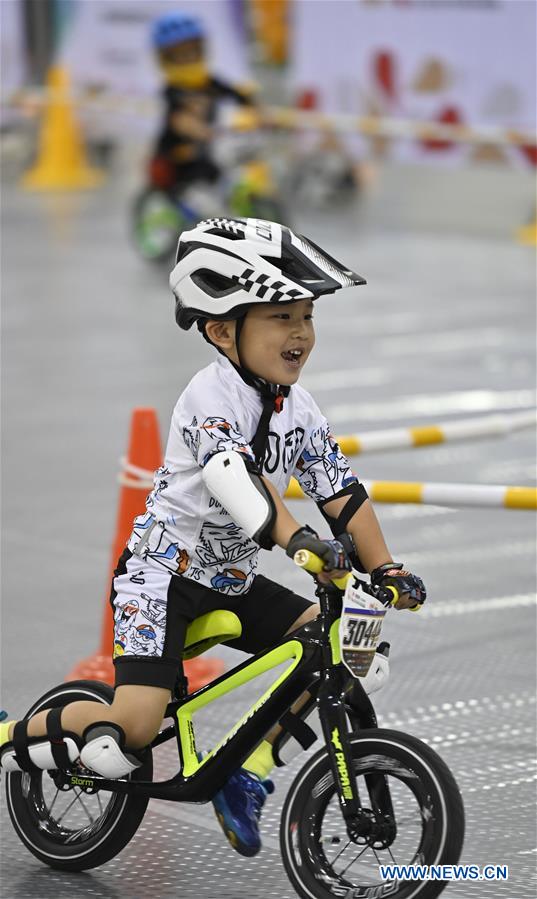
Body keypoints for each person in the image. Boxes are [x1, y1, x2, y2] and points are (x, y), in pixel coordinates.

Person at [0, 218, 426, 858]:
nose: (302, 333)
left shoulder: (296, 407)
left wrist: (386, 567)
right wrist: (295, 540)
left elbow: (343, 492)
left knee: (342, 650)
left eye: (307, 316)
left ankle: (247, 773)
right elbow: (235, 479)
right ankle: (9, 737)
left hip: (229, 580)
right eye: (282, 316)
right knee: (132, 734)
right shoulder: (210, 395)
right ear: (223, 329)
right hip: (159, 579)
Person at [148, 11, 256, 194]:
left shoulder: (209, 82)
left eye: (193, 51)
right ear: (165, 58)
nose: (188, 58)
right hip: (178, 158)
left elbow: (239, 96)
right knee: (205, 182)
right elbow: (179, 119)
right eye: (180, 54)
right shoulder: (173, 90)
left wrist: (257, 110)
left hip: (210, 150)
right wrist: (204, 132)